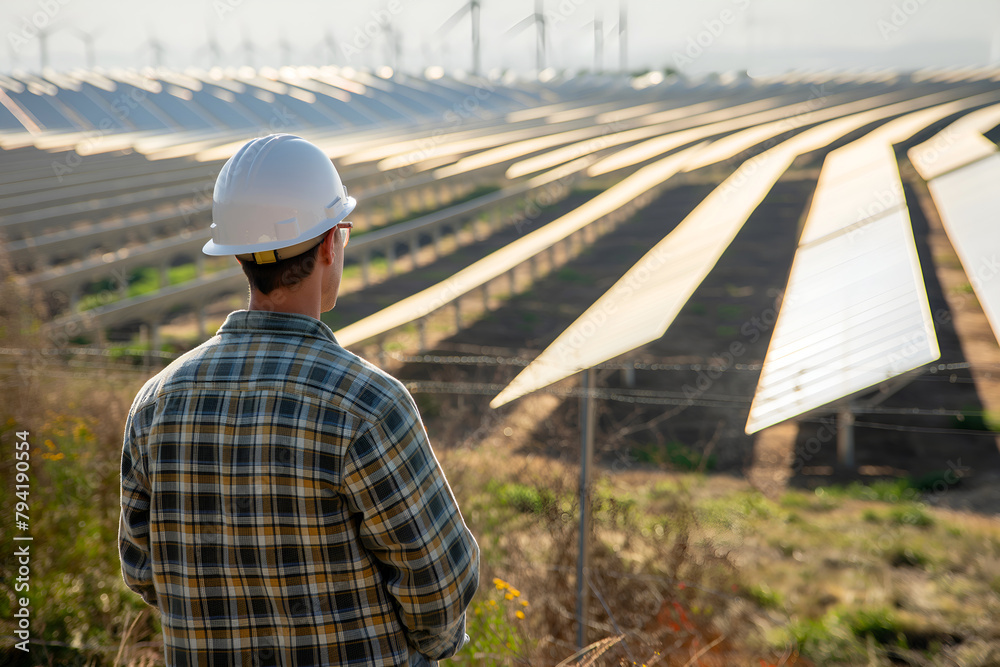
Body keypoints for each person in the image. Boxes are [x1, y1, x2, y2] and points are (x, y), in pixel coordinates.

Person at [119, 134, 479, 666]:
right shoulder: (368, 405)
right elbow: (440, 584)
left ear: (239, 254)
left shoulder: (156, 404)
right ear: (331, 243)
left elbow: (142, 569)